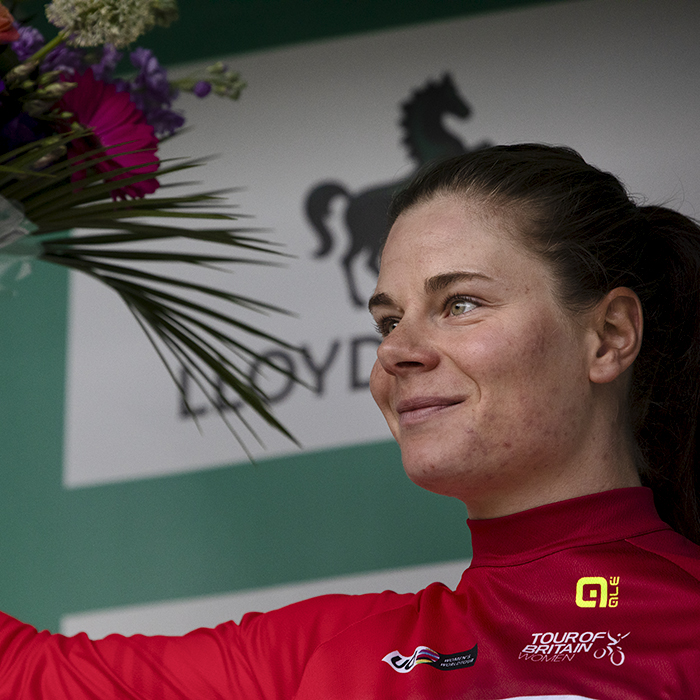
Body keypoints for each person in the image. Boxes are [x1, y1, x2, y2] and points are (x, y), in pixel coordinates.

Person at [1, 143, 700, 699]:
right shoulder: (328, 655)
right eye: (389, 320)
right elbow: (24, 677)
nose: (396, 351)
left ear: (608, 337)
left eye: (459, 304)